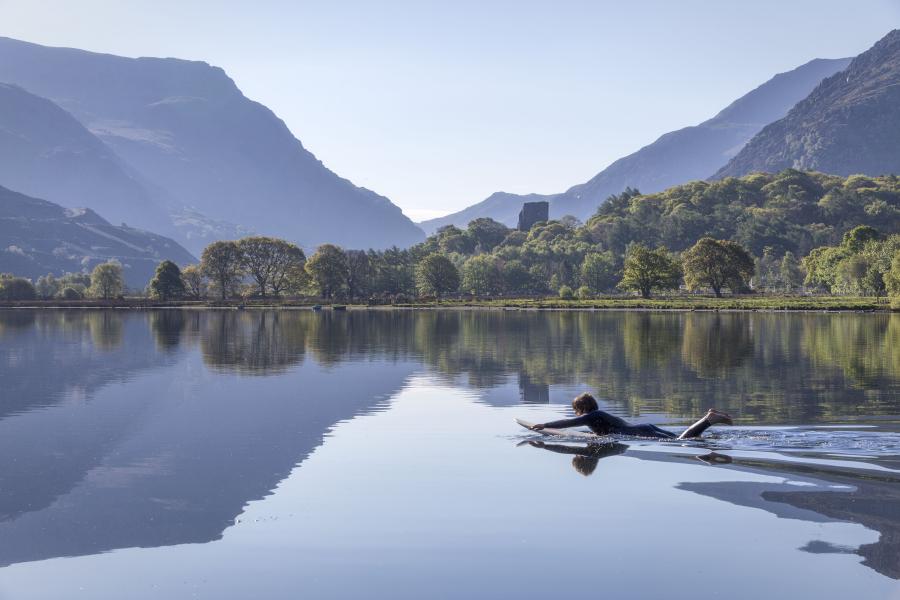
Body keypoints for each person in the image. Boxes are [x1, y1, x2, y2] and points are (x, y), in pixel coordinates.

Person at [529, 393, 733, 440]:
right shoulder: (598, 415)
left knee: (682, 442)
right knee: (680, 440)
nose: (576, 413)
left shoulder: (591, 417)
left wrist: (544, 424)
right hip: (644, 427)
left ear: (582, 408)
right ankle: (708, 419)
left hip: (641, 432)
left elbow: (568, 423)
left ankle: (708, 419)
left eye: (576, 409)